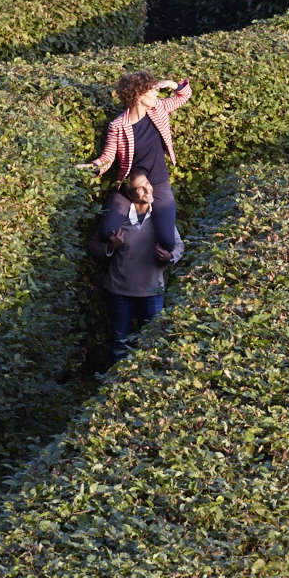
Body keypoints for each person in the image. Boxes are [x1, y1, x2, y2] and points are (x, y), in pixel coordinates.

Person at [86, 70, 191, 253]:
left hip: (158, 182)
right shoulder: (117, 125)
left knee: (167, 242)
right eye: (151, 90)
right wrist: (89, 168)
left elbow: (183, 95)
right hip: (131, 187)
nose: (156, 93)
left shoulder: (158, 109)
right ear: (139, 95)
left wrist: (172, 84)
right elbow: (107, 158)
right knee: (106, 232)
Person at [89, 170, 184, 361]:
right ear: (130, 193)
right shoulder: (116, 218)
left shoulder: (161, 218)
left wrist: (170, 256)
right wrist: (111, 247)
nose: (147, 190)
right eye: (139, 188)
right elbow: (93, 249)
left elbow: (179, 245)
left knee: (152, 344)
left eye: (148, 184)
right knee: (119, 343)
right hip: (120, 291)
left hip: (152, 292)